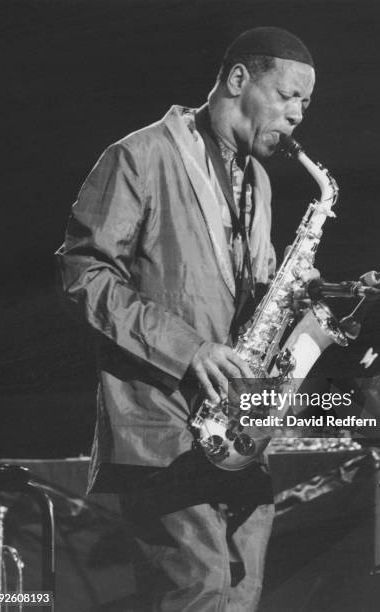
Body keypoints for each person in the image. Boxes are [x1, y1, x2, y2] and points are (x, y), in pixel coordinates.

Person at [56, 26, 316, 612]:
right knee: (194, 595)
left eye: (306, 103)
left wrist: (299, 297)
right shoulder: (139, 156)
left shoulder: (261, 181)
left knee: (239, 599)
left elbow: (242, 293)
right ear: (238, 79)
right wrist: (190, 348)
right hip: (163, 433)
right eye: (289, 95)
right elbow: (83, 276)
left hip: (237, 433)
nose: (298, 115)